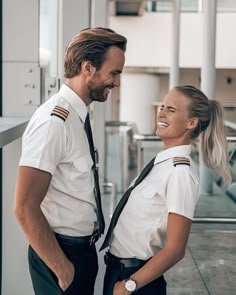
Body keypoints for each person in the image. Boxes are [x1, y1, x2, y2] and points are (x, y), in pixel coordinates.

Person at [14, 27, 127, 295]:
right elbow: (24, 207)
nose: (117, 82)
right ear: (88, 68)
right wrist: (62, 267)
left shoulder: (80, 115)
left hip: (81, 252)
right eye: (114, 73)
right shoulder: (54, 122)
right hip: (62, 254)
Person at [100, 85, 232, 295]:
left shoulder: (180, 173)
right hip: (119, 271)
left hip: (137, 280)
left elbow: (176, 249)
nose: (161, 112)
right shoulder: (161, 163)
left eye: (171, 110)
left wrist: (129, 285)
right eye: (163, 106)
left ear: (191, 122)